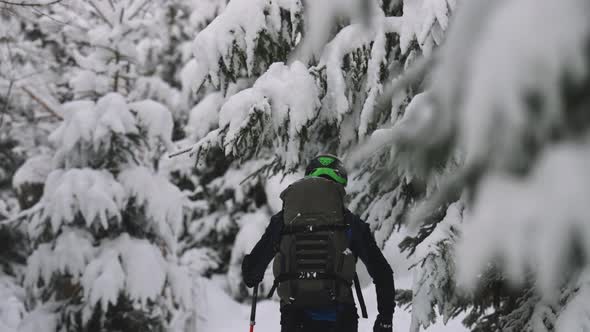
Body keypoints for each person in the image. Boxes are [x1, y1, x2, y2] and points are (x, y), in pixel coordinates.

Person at [242, 154, 395, 332]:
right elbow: (382, 273)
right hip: (341, 317)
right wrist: (385, 320)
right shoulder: (350, 223)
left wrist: (251, 269)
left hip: (294, 317)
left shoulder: (282, 221)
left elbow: (251, 274)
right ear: (340, 186)